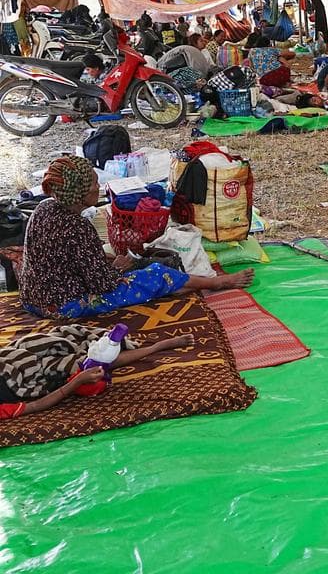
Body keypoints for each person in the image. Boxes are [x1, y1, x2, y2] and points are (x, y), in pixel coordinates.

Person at [20, 157, 254, 319]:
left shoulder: (44, 208)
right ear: (79, 193)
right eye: (93, 183)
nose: (98, 186)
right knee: (156, 274)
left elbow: (75, 257)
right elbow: (102, 284)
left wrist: (109, 261)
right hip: (64, 306)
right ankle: (217, 283)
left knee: (125, 261)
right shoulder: (77, 227)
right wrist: (119, 267)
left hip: (33, 298)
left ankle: (178, 284)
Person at [0, 328, 196, 419]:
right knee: (92, 367)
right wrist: (77, 381)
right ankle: (157, 347)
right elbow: (35, 406)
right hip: (31, 379)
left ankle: (105, 346)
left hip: (14, 360)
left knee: (42, 343)